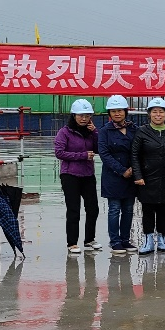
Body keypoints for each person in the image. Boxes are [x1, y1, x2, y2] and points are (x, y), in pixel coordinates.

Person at [132, 98, 165, 255]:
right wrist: (138, 175)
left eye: (161, 112)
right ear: (149, 114)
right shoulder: (142, 132)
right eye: (154, 112)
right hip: (146, 177)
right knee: (147, 209)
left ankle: (162, 238)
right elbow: (135, 155)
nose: (158, 115)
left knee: (164, 209)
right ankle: (148, 239)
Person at [56, 99, 100, 254]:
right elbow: (59, 153)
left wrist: (95, 132)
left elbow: (99, 149)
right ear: (74, 116)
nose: (84, 118)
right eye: (81, 115)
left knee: (93, 209)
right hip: (70, 175)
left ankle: (89, 239)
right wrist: (82, 155)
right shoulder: (64, 132)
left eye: (87, 116)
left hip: (88, 174)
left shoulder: (91, 132)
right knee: (74, 209)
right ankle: (72, 243)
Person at [97, 95, 137, 255]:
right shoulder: (105, 131)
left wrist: (133, 169)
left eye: (120, 110)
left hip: (131, 175)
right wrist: (122, 170)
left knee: (128, 209)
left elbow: (139, 149)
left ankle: (125, 240)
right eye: (113, 111)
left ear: (125, 111)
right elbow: (104, 154)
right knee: (114, 209)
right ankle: (115, 242)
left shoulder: (134, 129)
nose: (117, 113)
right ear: (109, 113)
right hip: (113, 176)